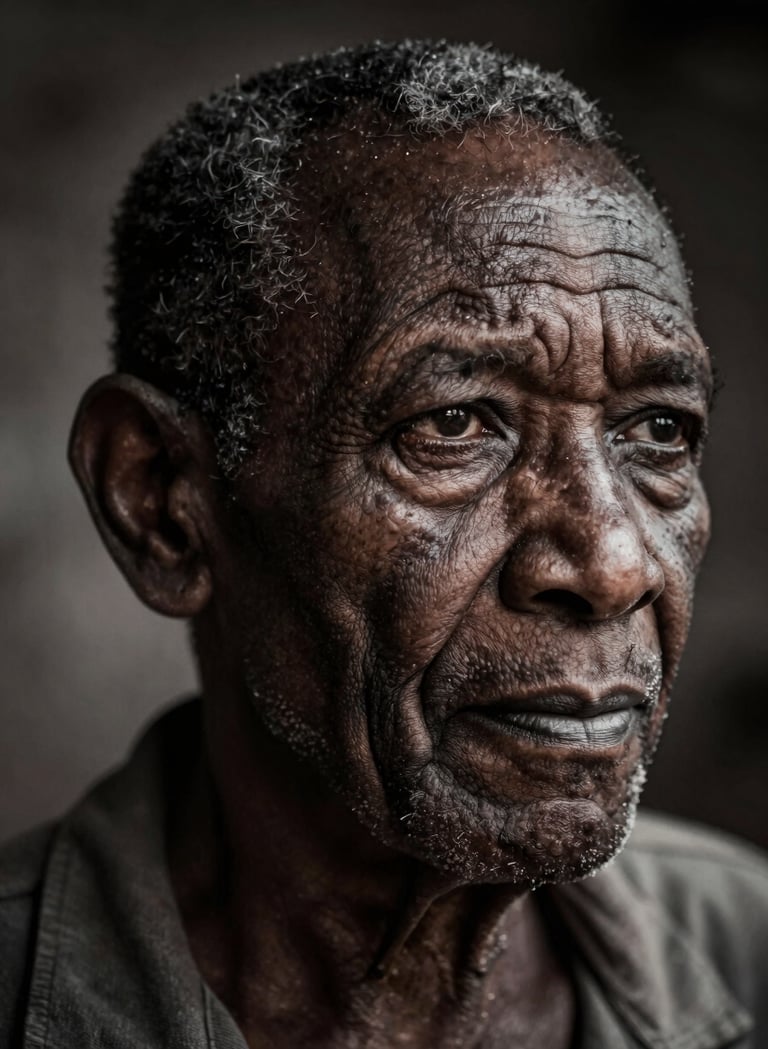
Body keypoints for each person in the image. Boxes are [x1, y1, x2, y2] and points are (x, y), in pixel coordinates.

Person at [2, 39, 767, 1049]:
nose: (611, 562)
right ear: (162, 500)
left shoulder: (747, 941)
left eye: (657, 431)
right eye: (451, 426)